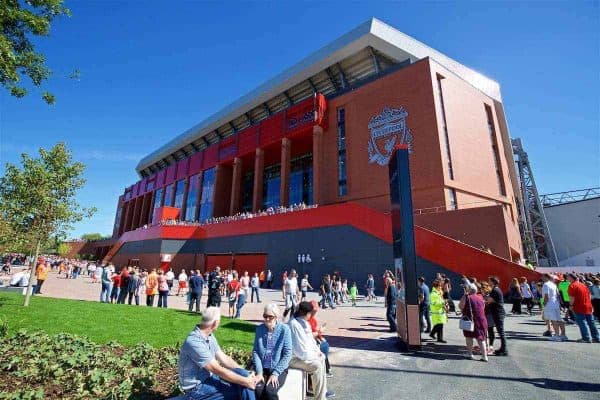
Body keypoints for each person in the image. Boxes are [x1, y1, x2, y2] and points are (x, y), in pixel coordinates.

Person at [178, 307, 259, 400]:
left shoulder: (209, 335)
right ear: (215, 323)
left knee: (243, 378)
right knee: (240, 389)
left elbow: (224, 359)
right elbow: (217, 369)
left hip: (211, 379)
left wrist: (246, 373)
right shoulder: (194, 342)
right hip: (197, 388)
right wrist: (246, 381)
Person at [288, 301, 334, 399]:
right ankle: (319, 397)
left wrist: (318, 352)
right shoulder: (294, 325)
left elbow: (311, 342)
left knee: (322, 358)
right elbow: (300, 351)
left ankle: (322, 394)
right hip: (293, 359)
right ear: (307, 313)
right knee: (316, 365)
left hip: (303, 356)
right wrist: (314, 356)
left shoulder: (304, 323)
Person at [253, 303, 293, 400]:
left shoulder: (284, 330)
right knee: (258, 389)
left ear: (276, 317)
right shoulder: (259, 329)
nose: (266, 319)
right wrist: (259, 372)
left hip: (279, 368)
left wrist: (276, 373)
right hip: (262, 368)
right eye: (265, 316)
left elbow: (288, 354)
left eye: (270, 317)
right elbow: (256, 352)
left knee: (270, 391)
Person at [566, 273, 600, 343]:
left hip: (579, 306)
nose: (567, 278)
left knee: (582, 322)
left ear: (571, 278)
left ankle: (586, 338)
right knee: (591, 322)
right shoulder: (583, 285)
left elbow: (572, 297)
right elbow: (589, 295)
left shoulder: (572, 286)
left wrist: (571, 305)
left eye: (568, 277)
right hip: (588, 305)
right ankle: (596, 337)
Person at [459, 283, 489, 361]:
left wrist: (464, 295)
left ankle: (470, 354)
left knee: (469, 337)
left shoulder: (466, 296)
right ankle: (484, 356)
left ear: (468, 289)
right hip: (481, 320)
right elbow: (483, 307)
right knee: (481, 338)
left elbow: (460, 306)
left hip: (470, 320)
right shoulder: (480, 297)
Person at [308, 300, 333, 378]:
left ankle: (326, 367)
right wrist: (319, 332)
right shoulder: (306, 320)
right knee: (323, 347)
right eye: (313, 311)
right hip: (309, 342)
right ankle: (325, 369)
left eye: (315, 311)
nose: (314, 313)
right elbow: (309, 335)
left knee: (324, 344)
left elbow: (315, 331)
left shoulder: (313, 320)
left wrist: (320, 336)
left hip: (314, 339)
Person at [542, 274, 567, 341]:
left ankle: (557, 335)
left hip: (550, 304)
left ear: (546, 277)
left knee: (553, 320)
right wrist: (560, 304)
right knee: (559, 319)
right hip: (556, 303)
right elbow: (558, 295)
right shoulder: (554, 284)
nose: (542, 278)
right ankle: (563, 335)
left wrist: (544, 304)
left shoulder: (546, 284)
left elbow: (546, 296)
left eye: (543, 276)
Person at [487, 276, 508, 355]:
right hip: (497, 312)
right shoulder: (496, 289)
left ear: (492, 282)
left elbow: (489, 300)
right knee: (500, 331)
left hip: (498, 312)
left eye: (489, 281)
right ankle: (502, 348)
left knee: (501, 331)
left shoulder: (495, 290)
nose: (488, 282)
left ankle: (504, 350)